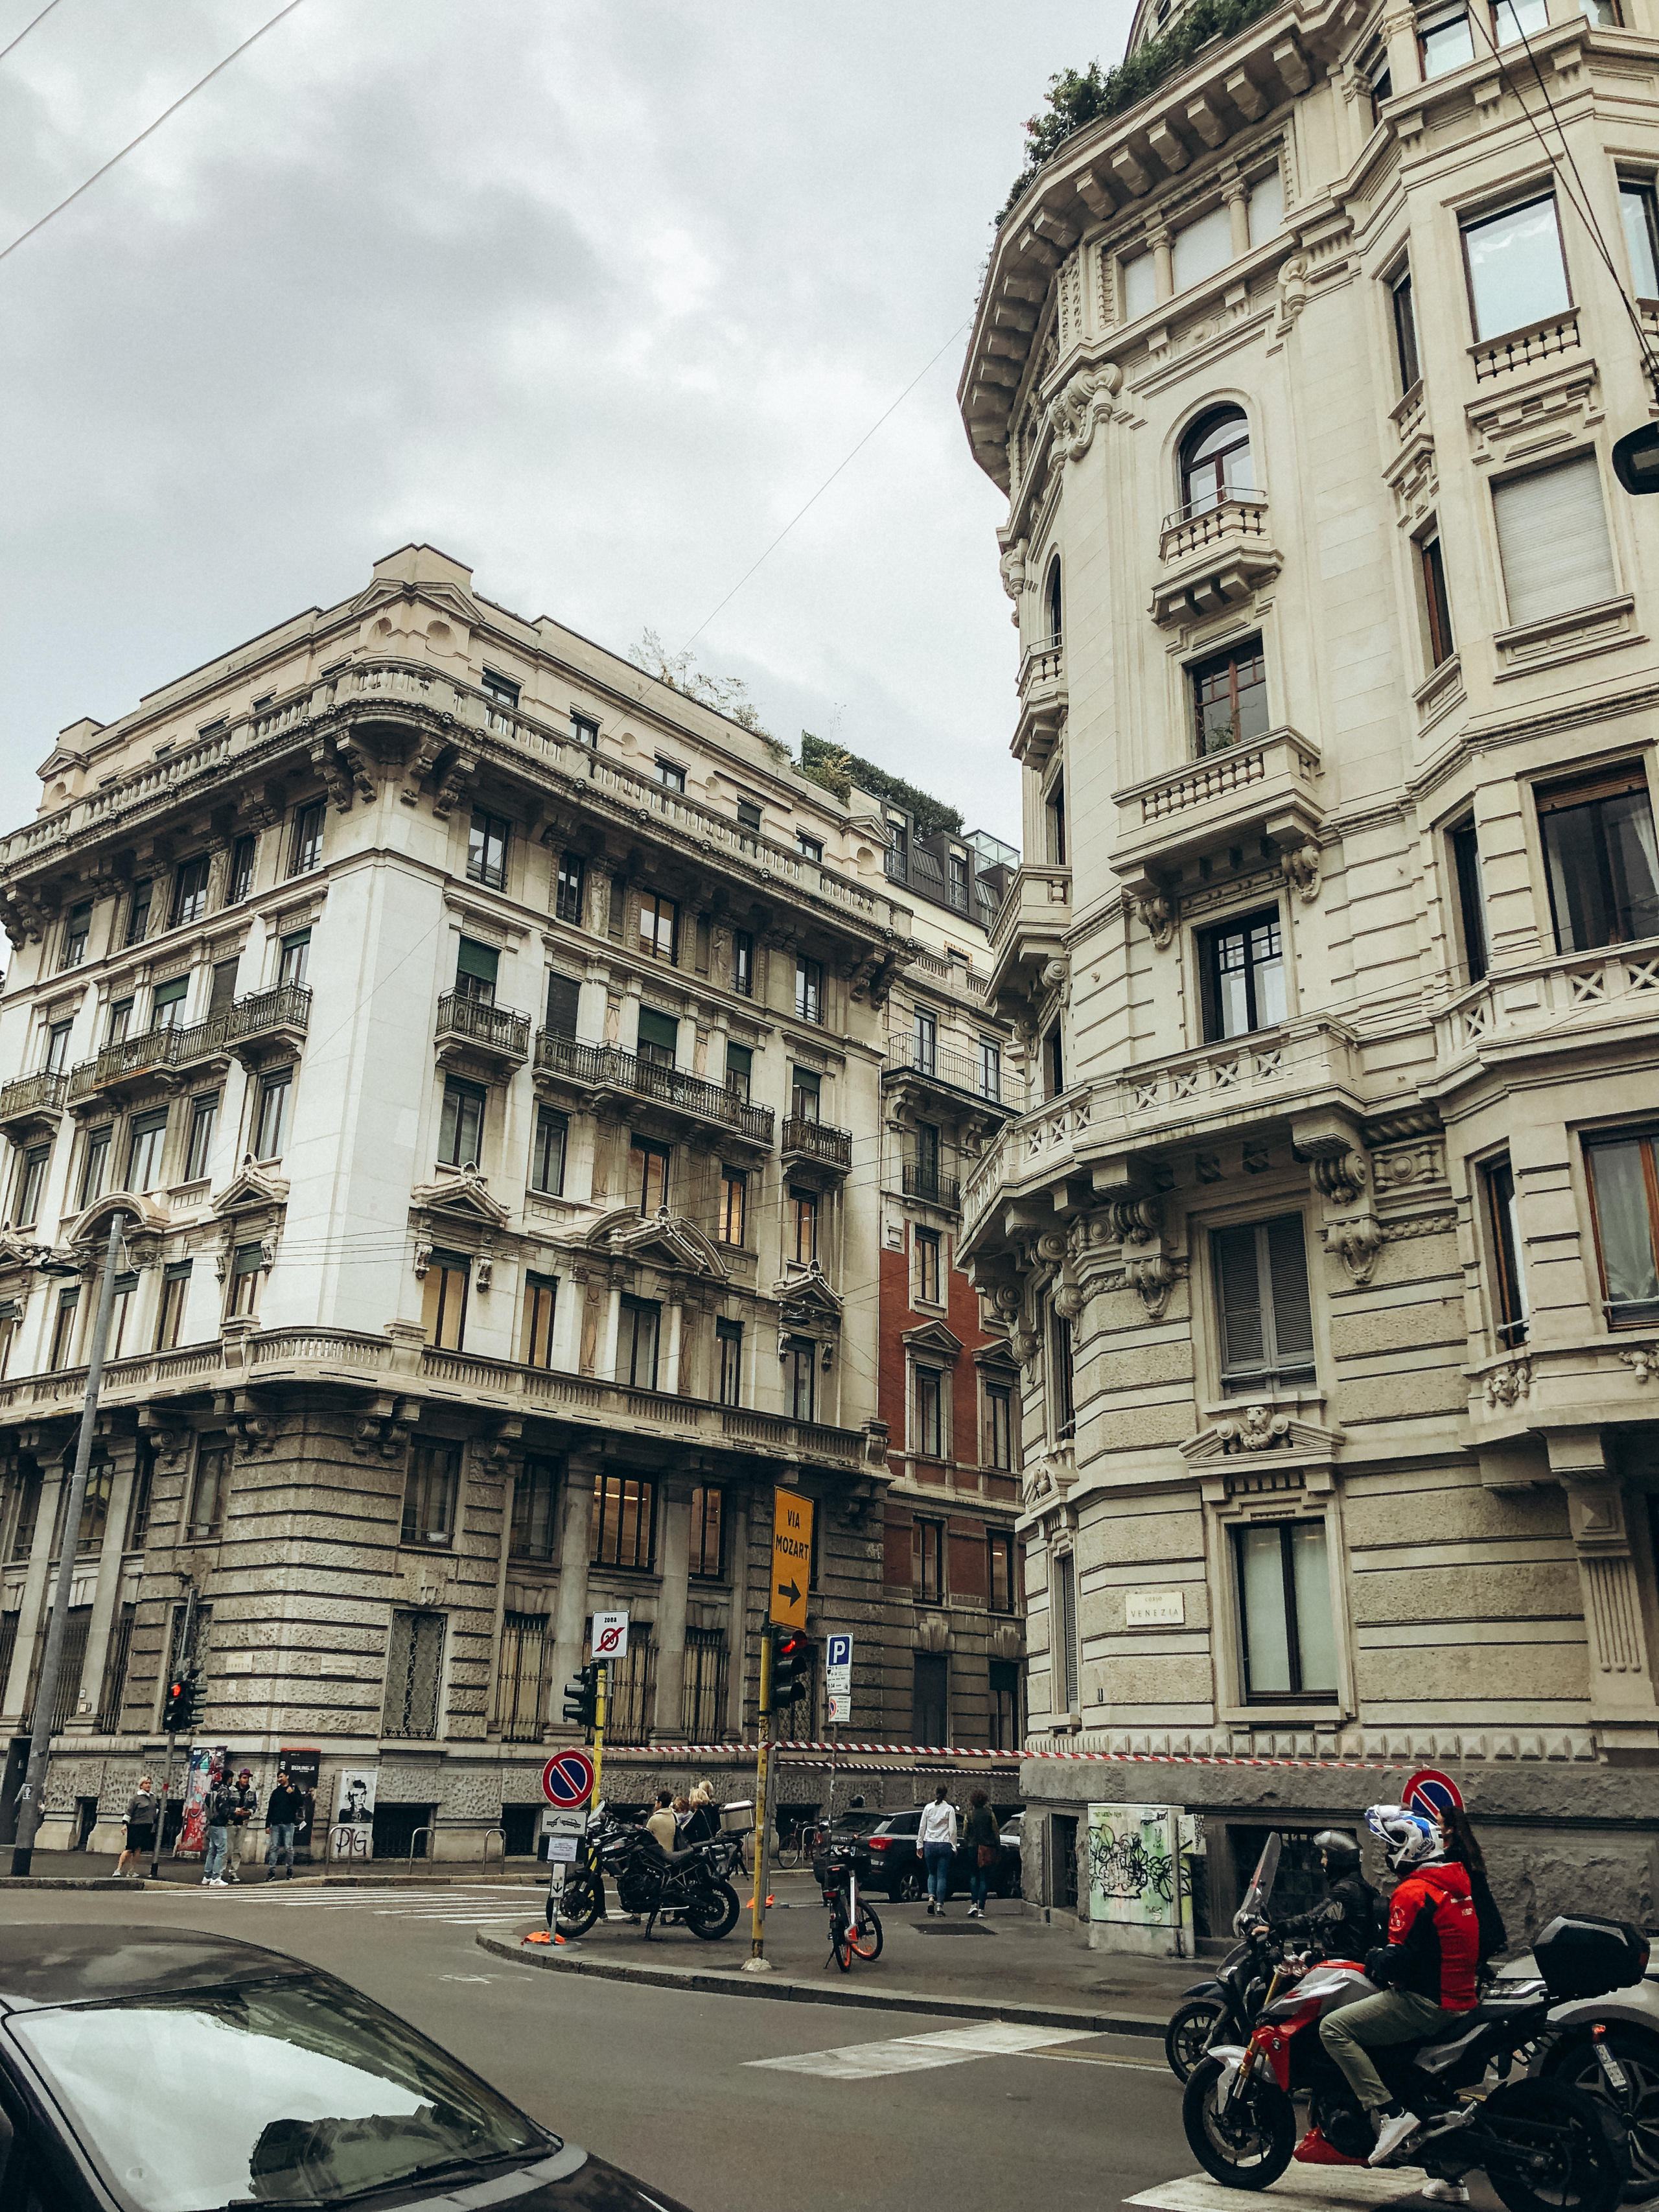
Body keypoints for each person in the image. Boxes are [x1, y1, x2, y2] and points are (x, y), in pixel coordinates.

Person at [1318, 1805, 1479, 2171]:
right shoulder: (1456, 1883)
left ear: (1410, 1849)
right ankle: (1449, 2178)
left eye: (1391, 1847)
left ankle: (1391, 2113)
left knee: (1334, 2028)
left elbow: (1396, 1963)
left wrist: (1373, 1957)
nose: (1388, 1855)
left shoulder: (1413, 1892)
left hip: (1428, 2003)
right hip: (1460, 1996)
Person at [1267, 1829, 1386, 1955]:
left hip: (1346, 1960)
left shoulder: (1345, 1890)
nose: (1322, 1862)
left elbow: (1314, 1919)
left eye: (1325, 1856)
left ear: (1336, 1859)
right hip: (1353, 1957)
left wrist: (1278, 1929)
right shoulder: (1358, 1885)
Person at [1439, 1805, 1507, 1968]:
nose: (1435, 1827)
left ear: (1449, 1830)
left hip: (1477, 1926)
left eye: (1438, 1823)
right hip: (1488, 1924)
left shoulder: (1454, 1856)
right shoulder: (1468, 1849)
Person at [918, 1784, 957, 1916]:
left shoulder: (928, 1808)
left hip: (929, 1844)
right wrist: (954, 1846)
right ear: (946, 1794)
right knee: (942, 1876)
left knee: (931, 1874)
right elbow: (953, 1830)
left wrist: (920, 1845)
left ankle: (930, 1898)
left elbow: (922, 1827)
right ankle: (940, 1905)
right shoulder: (949, 1809)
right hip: (944, 1844)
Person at [962, 1789, 1001, 1919]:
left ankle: (973, 1904)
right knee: (984, 1878)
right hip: (986, 1848)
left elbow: (965, 1833)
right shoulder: (990, 1814)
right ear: (984, 1800)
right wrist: (998, 1848)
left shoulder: (970, 1814)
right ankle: (982, 1908)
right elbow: (996, 1832)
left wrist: (969, 1842)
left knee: (974, 1876)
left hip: (973, 1848)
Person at [264, 1769, 305, 1880]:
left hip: (289, 1822)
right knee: (273, 1847)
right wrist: (267, 1825)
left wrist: (292, 1794)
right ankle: (271, 1871)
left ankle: (289, 1870)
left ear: (287, 1777)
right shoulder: (276, 1792)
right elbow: (271, 1809)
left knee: (288, 1847)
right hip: (276, 1823)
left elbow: (300, 1803)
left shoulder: (293, 1790)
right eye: (278, 1777)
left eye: (281, 1777)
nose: (279, 1779)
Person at [115, 1776, 159, 1879]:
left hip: (147, 1826)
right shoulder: (136, 1798)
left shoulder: (153, 1797)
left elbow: (155, 1810)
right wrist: (124, 1824)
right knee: (130, 1849)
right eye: (146, 1783)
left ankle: (132, 1871)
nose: (148, 1785)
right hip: (136, 1826)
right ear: (141, 1785)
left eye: (150, 1783)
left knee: (138, 1849)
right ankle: (118, 1869)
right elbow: (129, 1811)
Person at [645, 1790, 677, 1854]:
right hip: (671, 1852)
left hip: (658, 1854)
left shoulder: (654, 1819)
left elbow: (646, 1836)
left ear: (660, 1803)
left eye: (656, 1800)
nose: (655, 1803)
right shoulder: (673, 1816)